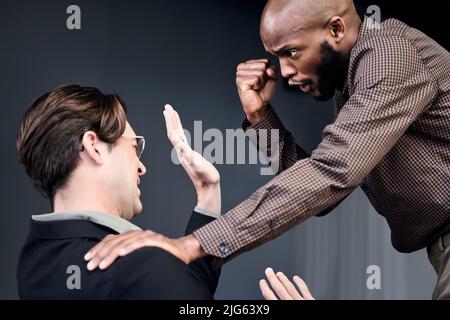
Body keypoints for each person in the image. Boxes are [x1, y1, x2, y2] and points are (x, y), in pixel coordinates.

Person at [85, 0, 450, 299]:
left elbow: (329, 174)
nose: (285, 71)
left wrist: (193, 245)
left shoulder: (389, 58)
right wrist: (259, 115)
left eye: (291, 52)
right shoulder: (354, 82)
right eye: (277, 57)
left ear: (336, 30)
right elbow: (323, 186)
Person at [16, 84, 222, 299]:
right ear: (94, 147)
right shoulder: (139, 261)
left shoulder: (33, 262)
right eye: (135, 147)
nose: (142, 167)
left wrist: (208, 194)